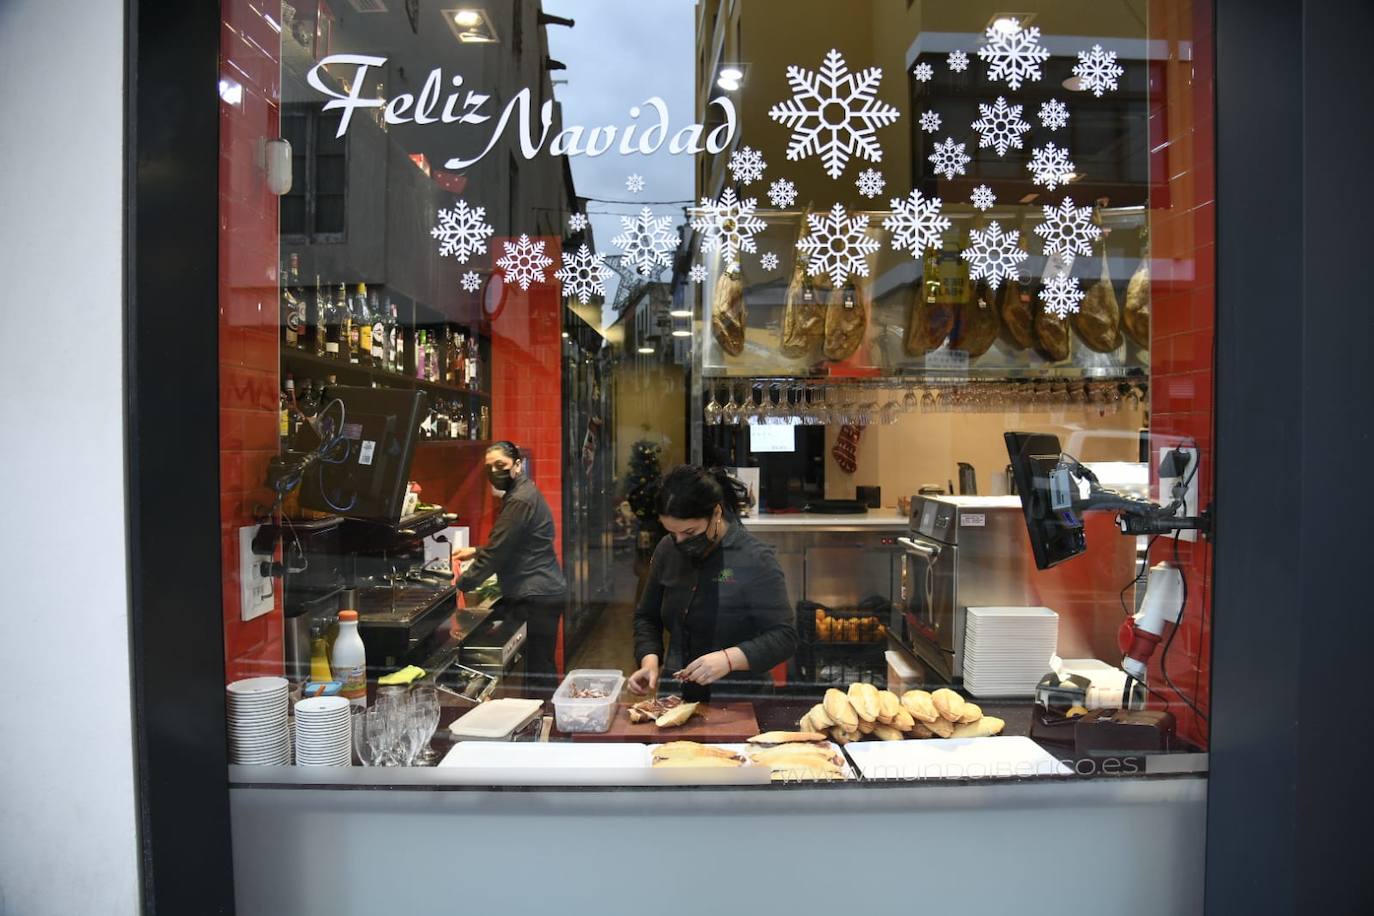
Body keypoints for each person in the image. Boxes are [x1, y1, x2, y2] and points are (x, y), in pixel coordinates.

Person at [628, 465, 797, 701]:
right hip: (676, 694)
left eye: (690, 532)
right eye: (672, 533)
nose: (680, 541)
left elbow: (784, 637)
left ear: (716, 513)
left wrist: (728, 659)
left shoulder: (754, 558)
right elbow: (647, 616)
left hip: (739, 700)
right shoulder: (668, 549)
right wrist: (649, 660)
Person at [455, 442, 566, 693]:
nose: (494, 471)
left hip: (536, 593)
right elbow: (516, 542)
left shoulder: (519, 500)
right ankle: (541, 722)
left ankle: (544, 726)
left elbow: (498, 552)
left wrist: (460, 584)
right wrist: (476, 550)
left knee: (539, 672)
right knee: (539, 667)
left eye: (501, 465)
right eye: (489, 467)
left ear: (517, 465)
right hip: (540, 590)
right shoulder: (521, 492)